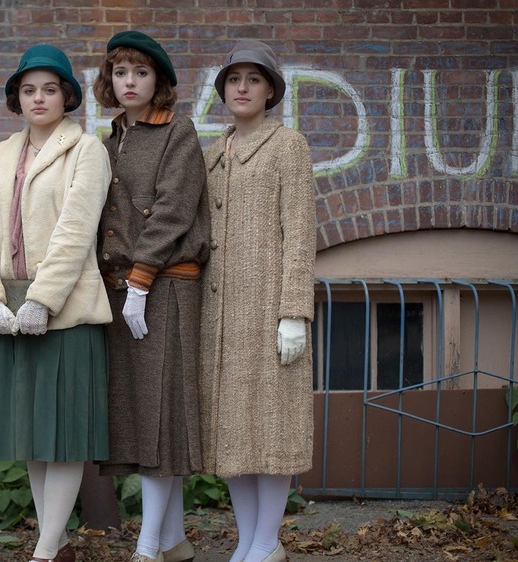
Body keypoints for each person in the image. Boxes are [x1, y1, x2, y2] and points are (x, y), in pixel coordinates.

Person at [0, 44, 112, 562]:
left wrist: (43, 301)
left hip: (67, 312)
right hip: (9, 313)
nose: (39, 97)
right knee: (32, 433)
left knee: (64, 434)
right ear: (17, 98)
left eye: (50, 89)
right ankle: (57, 544)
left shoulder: (86, 149)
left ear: (67, 95)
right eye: (29, 90)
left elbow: (76, 233)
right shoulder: (0, 155)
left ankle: (45, 551)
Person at [91, 31, 209, 562]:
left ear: (158, 81)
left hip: (164, 288)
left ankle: (147, 549)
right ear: (109, 80)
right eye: (120, 73)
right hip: (121, 291)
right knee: (139, 419)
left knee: (162, 419)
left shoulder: (177, 132)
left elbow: (173, 211)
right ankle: (174, 540)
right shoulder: (108, 139)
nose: (129, 82)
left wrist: (140, 281)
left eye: (140, 72)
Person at [199, 40, 317, 562]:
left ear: (271, 90)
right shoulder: (212, 151)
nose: (241, 88)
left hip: (268, 310)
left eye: (253, 78)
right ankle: (249, 542)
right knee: (234, 437)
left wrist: (294, 311)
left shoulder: (287, 145)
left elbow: (300, 232)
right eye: (233, 79)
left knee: (273, 427)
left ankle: (269, 541)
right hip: (217, 315)